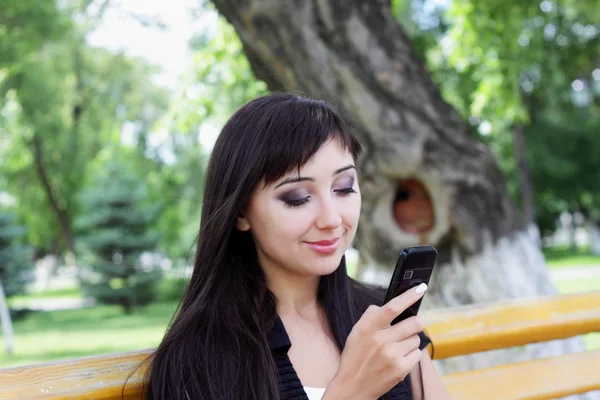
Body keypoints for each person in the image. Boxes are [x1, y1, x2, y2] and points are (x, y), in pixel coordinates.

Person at [144, 92, 452, 399]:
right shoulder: (202, 356)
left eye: (343, 188)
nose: (331, 219)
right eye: (297, 198)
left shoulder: (382, 319)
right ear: (240, 212)